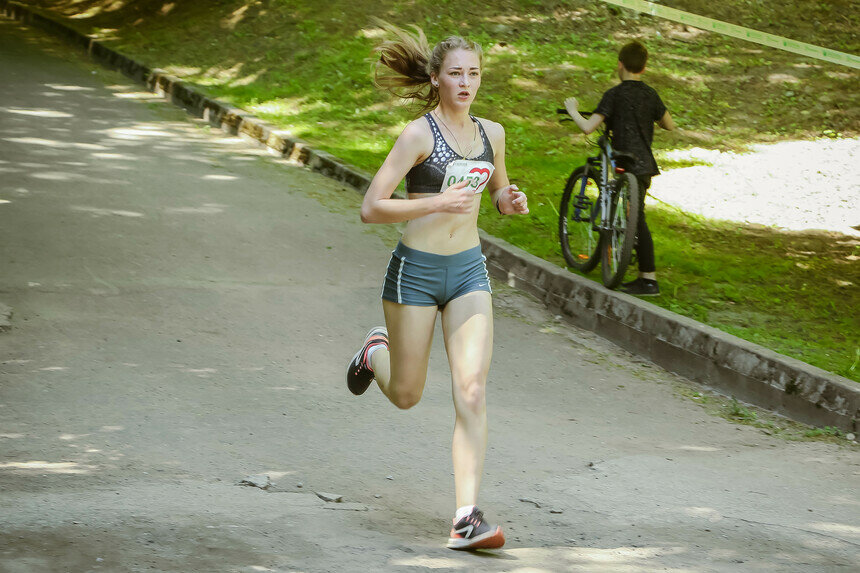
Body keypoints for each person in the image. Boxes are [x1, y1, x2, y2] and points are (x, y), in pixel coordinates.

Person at [346, 22, 529, 550]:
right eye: (456, 74)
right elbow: (370, 208)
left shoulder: (491, 134)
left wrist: (509, 201)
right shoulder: (419, 135)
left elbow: (496, 192)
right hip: (416, 273)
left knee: (471, 389)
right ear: (436, 77)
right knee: (406, 394)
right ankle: (373, 349)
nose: (466, 82)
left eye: (473, 73)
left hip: (468, 270)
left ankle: (465, 516)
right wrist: (434, 202)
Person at [564, 40, 675, 296]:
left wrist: (573, 111)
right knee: (638, 217)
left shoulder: (614, 95)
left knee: (636, 220)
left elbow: (588, 127)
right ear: (644, 68)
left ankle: (649, 279)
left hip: (623, 163)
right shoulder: (650, 94)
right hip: (645, 165)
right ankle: (642, 274)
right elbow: (669, 124)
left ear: (620, 65)